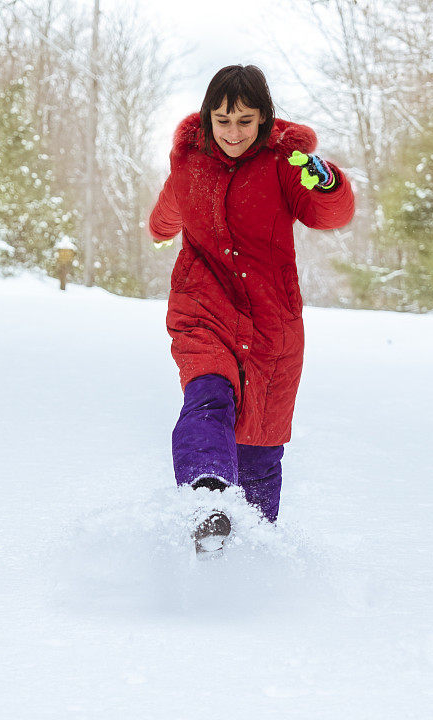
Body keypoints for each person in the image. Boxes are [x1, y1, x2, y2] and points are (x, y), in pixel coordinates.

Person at [148, 64, 355, 553]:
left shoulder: (287, 164)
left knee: (260, 447)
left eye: (245, 121)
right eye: (223, 120)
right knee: (208, 395)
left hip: (271, 325)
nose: (233, 132)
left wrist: (327, 183)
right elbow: (165, 216)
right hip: (203, 309)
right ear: (207, 119)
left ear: (264, 119)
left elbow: (332, 214)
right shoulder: (189, 164)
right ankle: (206, 499)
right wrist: (160, 231)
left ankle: (251, 558)